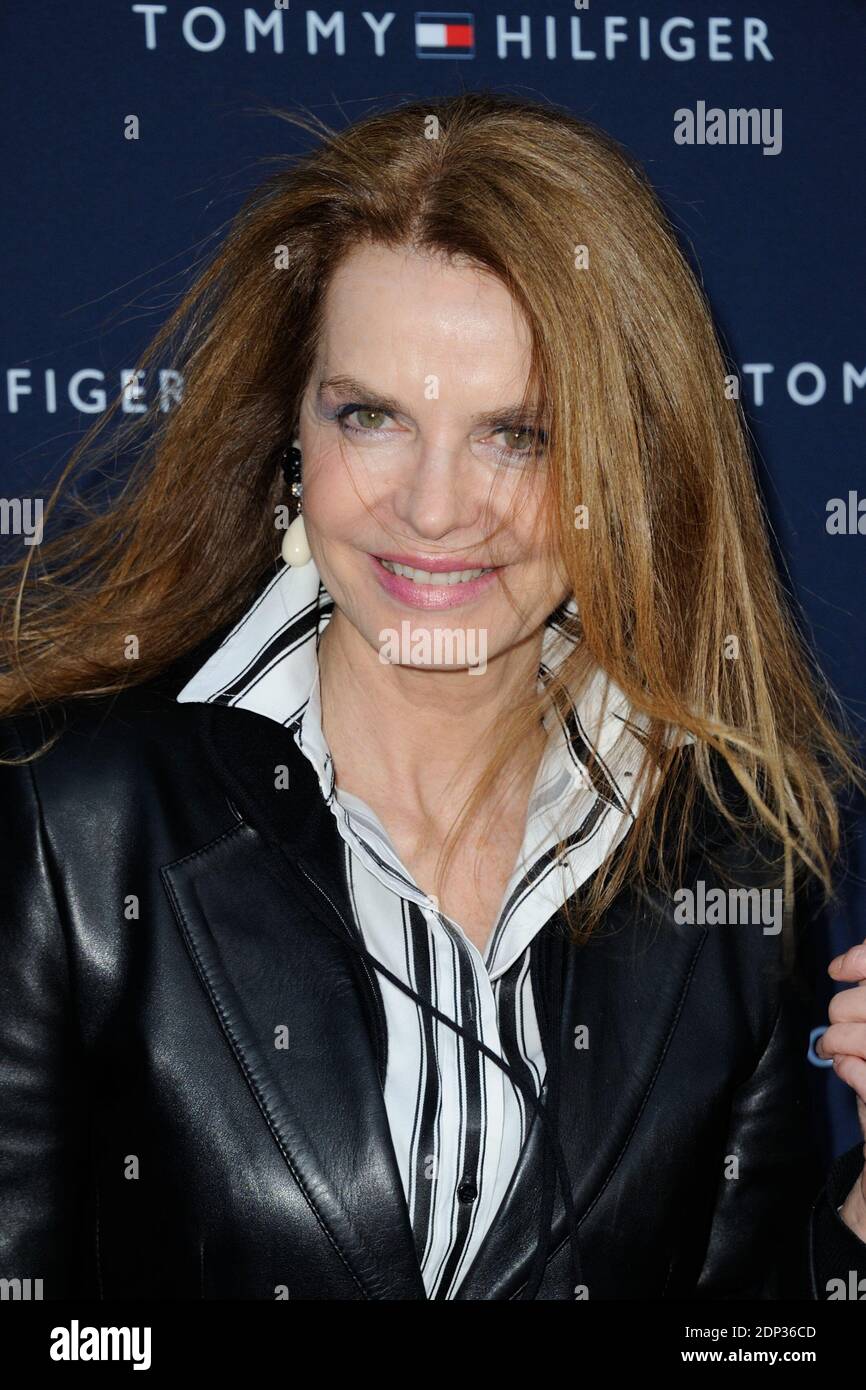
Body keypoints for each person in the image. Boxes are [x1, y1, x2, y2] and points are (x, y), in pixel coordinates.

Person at [1, 91, 865, 1302]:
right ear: (290, 434)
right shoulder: (70, 820)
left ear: (627, 459)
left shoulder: (735, 855)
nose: (434, 507)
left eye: (516, 434)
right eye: (371, 417)